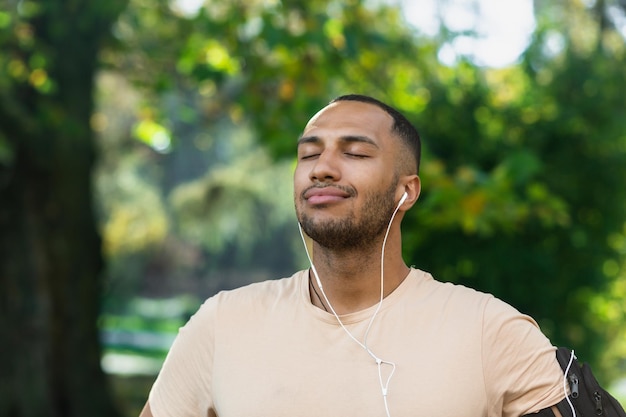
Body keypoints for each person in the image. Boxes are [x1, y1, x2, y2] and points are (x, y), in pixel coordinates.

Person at [139, 94, 567, 417]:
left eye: (356, 152)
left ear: (407, 191)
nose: (321, 167)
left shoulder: (490, 331)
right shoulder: (221, 324)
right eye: (309, 153)